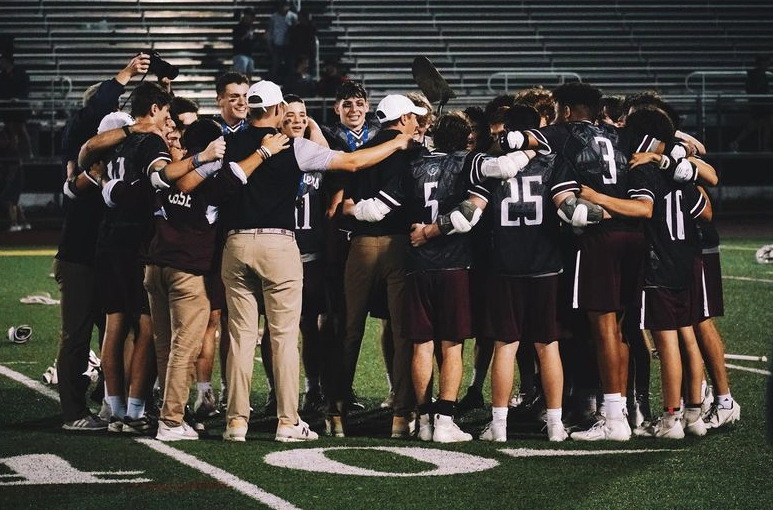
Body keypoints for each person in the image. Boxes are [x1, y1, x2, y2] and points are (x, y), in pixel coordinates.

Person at [217, 80, 415, 443]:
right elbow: (353, 162)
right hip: (278, 245)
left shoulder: (225, 143)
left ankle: (236, 422)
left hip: (235, 244)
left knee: (241, 337)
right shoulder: (294, 146)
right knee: (284, 337)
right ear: (277, 110)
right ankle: (287, 421)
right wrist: (396, 142)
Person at [144, 118, 289, 441]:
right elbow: (234, 177)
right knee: (185, 347)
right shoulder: (210, 174)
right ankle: (171, 420)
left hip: (156, 266)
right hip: (188, 270)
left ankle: (166, 411)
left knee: (166, 346)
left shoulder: (173, 169)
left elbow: (167, 182)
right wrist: (264, 152)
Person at [55, 54, 151, 430]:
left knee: (117, 328)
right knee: (77, 335)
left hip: (110, 254)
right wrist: (125, 76)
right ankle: (73, 411)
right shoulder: (86, 149)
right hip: (81, 256)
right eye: (112, 110)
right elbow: (76, 186)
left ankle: (113, 402)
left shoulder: (117, 154)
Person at [730, 54, 773, 151]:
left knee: (765, 123)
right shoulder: (755, 74)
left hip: (762, 104)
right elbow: (754, 89)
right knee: (759, 123)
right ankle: (737, 141)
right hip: (759, 104)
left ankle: (738, 142)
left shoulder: (762, 74)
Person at [266, 1, 296, 84]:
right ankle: (273, 82)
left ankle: (289, 83)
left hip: (289, 45)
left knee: (290, 65)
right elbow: (270, 31)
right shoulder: (274, 17)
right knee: (275, 65)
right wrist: (270, 44)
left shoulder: (292, 16)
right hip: (277, 44)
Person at [232, 8, 256, 79]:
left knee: (249, 75)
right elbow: (236, 41)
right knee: (240, 76)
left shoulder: (251, 27)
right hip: (239, 54)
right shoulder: (238, 27)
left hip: (249, 55)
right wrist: (246, 35)